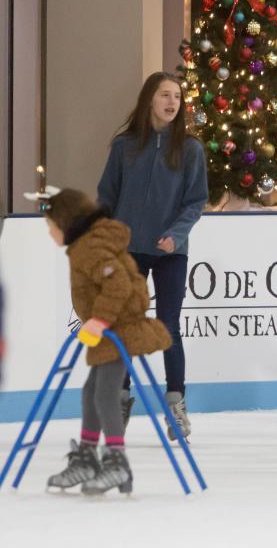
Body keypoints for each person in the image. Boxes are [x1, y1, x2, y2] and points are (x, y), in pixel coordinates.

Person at [37, 188, 172, 496]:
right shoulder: (85, 245)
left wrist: (98, 321)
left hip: (118, 329)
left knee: (105, 395)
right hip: (110, 328)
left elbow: (119, 283)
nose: (49, 233)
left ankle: (117, 460)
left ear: (66, 223)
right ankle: (87, 456)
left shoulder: (90, 248)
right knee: (90, 392)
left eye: (51, 227)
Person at [97, 72, 207, 439]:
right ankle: (121, 400)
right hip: (129, 251)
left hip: (170, 252)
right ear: (149, 100)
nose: (172, 102)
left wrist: (175, 237)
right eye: (164, 95)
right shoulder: (124, 146)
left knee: (168, 327)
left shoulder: (190, 149)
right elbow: (106, 198)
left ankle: (175, 404)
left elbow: (195, 202)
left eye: (177, 96)